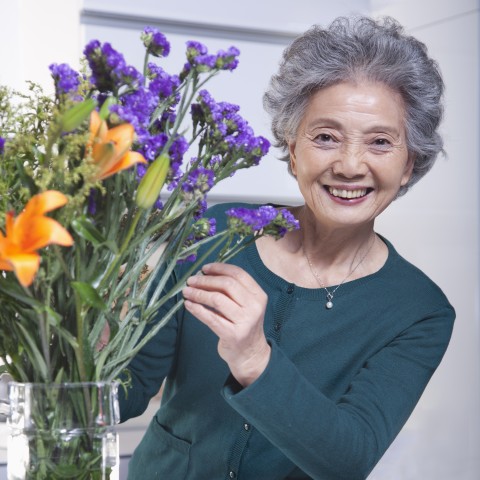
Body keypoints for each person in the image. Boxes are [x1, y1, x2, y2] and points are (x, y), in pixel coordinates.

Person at [119, 16, 455, 480]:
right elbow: (126, 393)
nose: (350, 164)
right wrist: (83, 342)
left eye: (380, 142)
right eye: (325, 137)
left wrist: (255, 358)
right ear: (292, 148)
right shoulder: (212, 231)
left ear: (407, 165)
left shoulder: (419, 309)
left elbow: (348, 460)